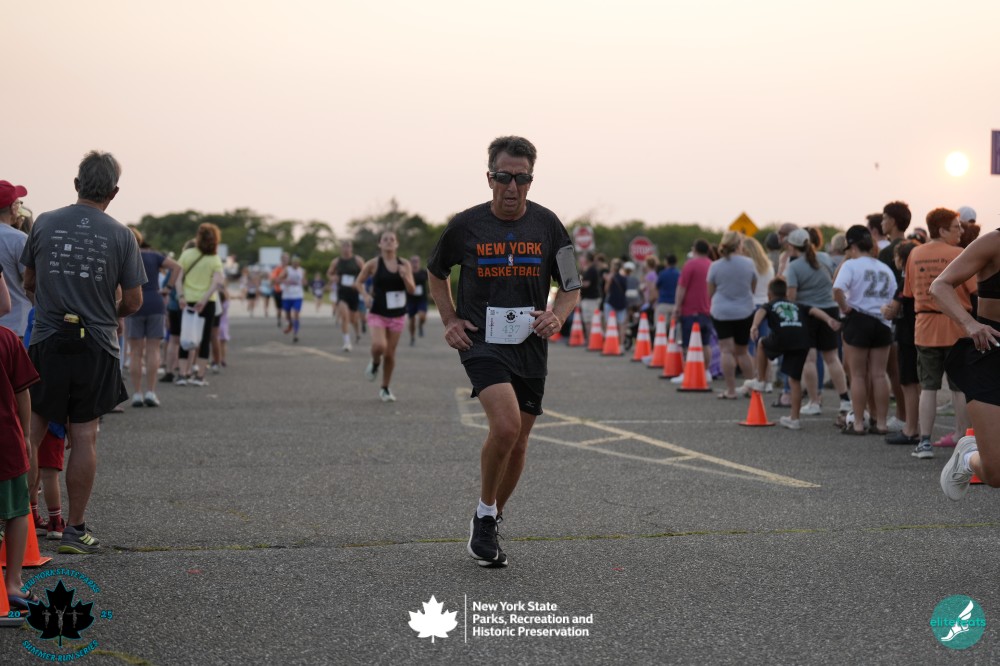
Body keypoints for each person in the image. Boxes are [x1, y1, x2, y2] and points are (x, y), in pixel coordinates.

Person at [427, 136, 580, 568]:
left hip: (530, 343)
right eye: (504, 177)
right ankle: (484, 514)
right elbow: (436, 272)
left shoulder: (548, 225)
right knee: (507, 426)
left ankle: (490, 518)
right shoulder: (466, 225)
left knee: (520, 442)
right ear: (489, 177)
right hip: (482, 341)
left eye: (522, 178)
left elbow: (571, 285)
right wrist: (450, 319)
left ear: (531, 180)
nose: (512, 187)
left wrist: (557, 316)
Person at [21, 150, 146, 554]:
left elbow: (29, 282)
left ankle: (18, 523)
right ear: (114, 192)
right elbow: (134, 301)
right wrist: (107, 313)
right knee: (85, 435)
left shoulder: (45, 222)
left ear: (76, 184)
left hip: (47, 340)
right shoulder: (122, 236)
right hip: (96, 345)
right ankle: (75, 529)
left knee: (32, 431)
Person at [931, 223, 1000, 499]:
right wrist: (970, 323)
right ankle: (968, 454)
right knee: (996, 474)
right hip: (992, 354)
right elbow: (940, 286)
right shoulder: (993, 242)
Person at [901, 208, 976, 459]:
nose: (961, 231)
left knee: (928, 386)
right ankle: (962, 438)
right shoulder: (959, 254)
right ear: (942, 230)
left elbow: (909, 293)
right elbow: (975, 290)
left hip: (925, 326)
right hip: (957, 325)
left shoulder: (914, 253)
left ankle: (924, 442)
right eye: (956, 227)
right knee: (959, 387)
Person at [749, 278, 840, 430]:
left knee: (761, 344)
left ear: (769, 294)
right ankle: (794, 419)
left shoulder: (770, 304)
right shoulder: (797, 304)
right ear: (786, 293)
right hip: (802, 341)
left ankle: (761, 380)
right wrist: (828, 319)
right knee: (794, 380)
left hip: (783, 337)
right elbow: (814, 310)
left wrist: (754, 326)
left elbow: (761, 311)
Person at [832, 225, 897, 435]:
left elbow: (837, 289)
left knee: (858, 375)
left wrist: (844, 307)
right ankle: (882, 423)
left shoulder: (851, 265)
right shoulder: (884, 268)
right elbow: (893, 296)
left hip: (858, 319)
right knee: (879, 374)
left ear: (852, 246)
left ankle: (859, 423)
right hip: (882, 322)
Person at [784, 228, 850, 415]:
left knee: (809, 359)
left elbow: (791, 296)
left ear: (792, 246)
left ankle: (814, 402)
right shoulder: (824, 258)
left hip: (808, 313)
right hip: (830, 309)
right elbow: (834, 280)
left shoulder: (794, 267)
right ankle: (845, 400)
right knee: (832, 358)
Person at [0, 321, 40, 616]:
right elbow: (22, 392)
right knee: (16, 511)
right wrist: (25, 435)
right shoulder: (7, 339)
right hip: (5, 442)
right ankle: (13, 584)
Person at [358, 231, 414, 401]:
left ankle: (385, 388)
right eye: (385, 239)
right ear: (379, 244)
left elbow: (411, 289)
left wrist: (405, 276)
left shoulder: (404, 264)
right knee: (379, 346)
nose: (389, 242)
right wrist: (365, 296)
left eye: (392, 239)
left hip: (397, 314)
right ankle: (375, 362)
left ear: (397, 244)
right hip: (378, 312)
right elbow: (358, 282)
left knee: (389, 354)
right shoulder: (373, 264)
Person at [127, 231, 180, 407]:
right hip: (155, 302)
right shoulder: (154, 255)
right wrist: (168, 288)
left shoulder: (125, 256)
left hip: (134, 304)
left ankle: (137, 394)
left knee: (135, 352)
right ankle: (151, 391)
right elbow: (177, 267)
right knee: (153, 350)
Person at [708, 231, 757, 399]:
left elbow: (710, 292)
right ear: (739, 244)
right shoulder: (749, 263)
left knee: (726, 351)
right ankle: (752, 388)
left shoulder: (715, 266)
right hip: (745, 310)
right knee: (743, 351)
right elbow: (753, 288)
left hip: (721, 311)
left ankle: (730, 390)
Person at [176, 223, 225, 386]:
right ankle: (200, 376)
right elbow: (217, 282)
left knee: (185, 336)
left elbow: (178, 278)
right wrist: (204, 299)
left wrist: (181, 296)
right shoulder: (214, 258)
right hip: (207, 302)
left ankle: (182, 374)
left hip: (187, 300)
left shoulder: (187, 254)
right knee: (205, 339)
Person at [879, 201, 912, 433]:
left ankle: (903, 416)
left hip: (895, 314)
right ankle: (911, 417)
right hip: (915, 314)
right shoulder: (916, 246)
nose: (882, 222)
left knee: (897, 369)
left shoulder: (887, 251)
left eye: (884, 218)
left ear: (892, 221)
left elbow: (885, 284)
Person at [671, 240, 714, 386]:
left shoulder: (690, 265)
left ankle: (688, 372)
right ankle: (706, 372)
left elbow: (682, 287)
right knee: (705, 343)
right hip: (706, 310)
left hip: (690, 310)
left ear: (694, 249)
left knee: (688, 344)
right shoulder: (711, 265)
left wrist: (677, 306)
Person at [0, 181, 31, 339]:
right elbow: (31, 283)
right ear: (13, 208)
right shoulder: (19, 239)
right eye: (18, 203)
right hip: (15, 329)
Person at [329, 240, 364, 352]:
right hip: (342, 292)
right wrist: (333, 278)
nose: (346, 248)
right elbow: (329, 273)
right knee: (345, 316)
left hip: (354, 292)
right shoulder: (336, 261)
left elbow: (365, 273)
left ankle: (357, 333)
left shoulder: (357, 260)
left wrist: (358, 282)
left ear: (351, 248)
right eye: (344, 246)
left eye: (348, 246)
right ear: (341, 248)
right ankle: (347, 342)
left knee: (353, 319)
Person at [279, 255, 306, 342]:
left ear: (299, 263)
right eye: (294, 262)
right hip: (287, 295)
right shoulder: (287, 269)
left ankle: (295, 333)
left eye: (297, 262)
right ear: (292, 262)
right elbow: (279, 278)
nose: (295, 263)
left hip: (298, 295)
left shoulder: (302, 271)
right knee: (288, 315)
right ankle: (290, 324)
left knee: (296, 314)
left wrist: (304, 282)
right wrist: (285, 281)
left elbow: (304, 281)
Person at [406, 255, 429, 346]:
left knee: (422, 316)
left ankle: (420, 325)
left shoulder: (424, 272)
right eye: (413, 261)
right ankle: (412, 337)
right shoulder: (407, 273)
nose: (415, 263)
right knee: (412, 320)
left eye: (416, 261)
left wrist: (431, 292)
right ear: (410, 263)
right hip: (410, 300)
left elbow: (432, 282)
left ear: (419, 262)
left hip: (421, 299)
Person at [578, 252, 601, 337]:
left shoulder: (591, 270)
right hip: (588, 298)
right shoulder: (587, 269)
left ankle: (591, 340)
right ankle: (590, 339)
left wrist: (578, 284)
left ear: (587, 259)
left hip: (591, 299)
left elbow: (587, 283)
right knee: (588, 320)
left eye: (583, 257)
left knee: (590, 320)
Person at [654, 254, 680, 325]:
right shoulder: (679, 274)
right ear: (676, 262)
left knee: (661, 327)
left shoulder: (662, 274)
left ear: (666, 262)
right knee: (673, 328)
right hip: (675, 304)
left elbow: (656, 287)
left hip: (663, 303)